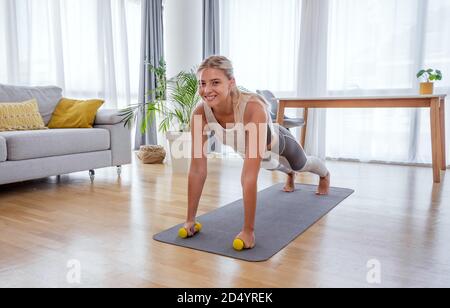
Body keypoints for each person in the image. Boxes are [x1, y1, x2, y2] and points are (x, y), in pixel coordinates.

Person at [182, 56, 330, 250]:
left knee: (300, 165)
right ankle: (289, 176)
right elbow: (197, 169)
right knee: (272, 166)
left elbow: (248, 176)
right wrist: (190, 220)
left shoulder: (252, 108)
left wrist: (248, 231)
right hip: (256, 155)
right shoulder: (200, 113)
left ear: (231, 82)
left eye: (215, 82)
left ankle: (325, 174)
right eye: (202, 83)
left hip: (279, 143)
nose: (207, 90)